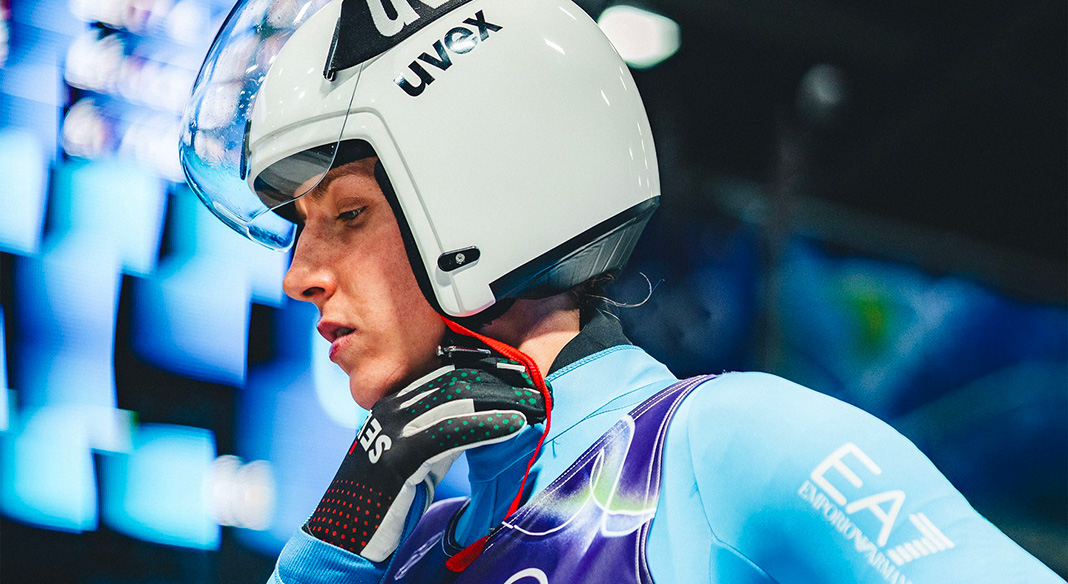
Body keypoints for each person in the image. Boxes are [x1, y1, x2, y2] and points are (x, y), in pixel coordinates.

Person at [179, 0, 1064, 582]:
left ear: (479, 198)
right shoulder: (402, 553)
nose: (298, 275)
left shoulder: (725, 448)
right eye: (301, 227)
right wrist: (333, 546)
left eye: (348, 215)